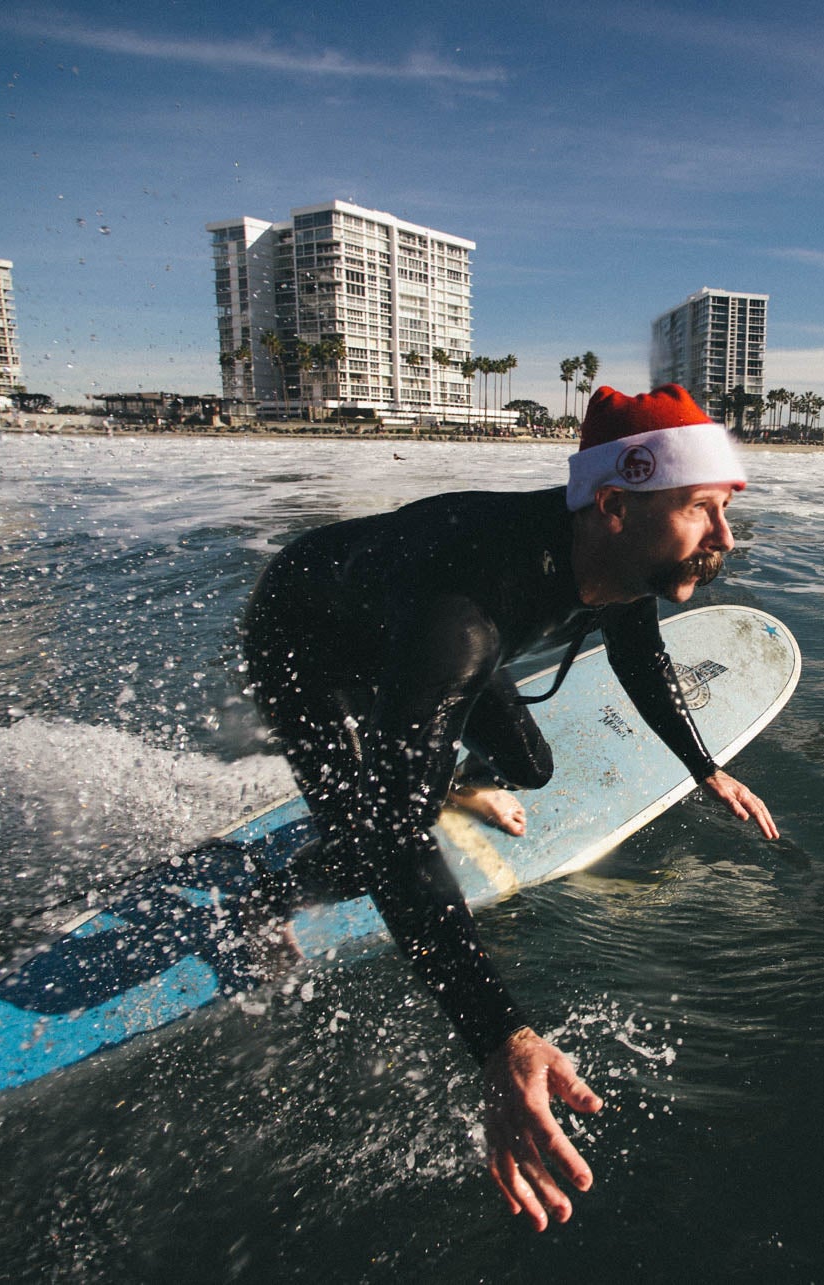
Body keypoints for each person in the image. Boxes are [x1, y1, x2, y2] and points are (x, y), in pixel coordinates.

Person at [239, 384, 777, 1232]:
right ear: (613, 505)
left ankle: (442, 769)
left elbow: (640, 655)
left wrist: (703, 767)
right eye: (701, 510)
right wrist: (501, 1038)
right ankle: (261, 901)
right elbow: (393, 842)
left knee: (529, 764)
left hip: (407, 623)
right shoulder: (467, 617)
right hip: (304, 638)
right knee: (365, 844)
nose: (725, 538)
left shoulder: (620, 561)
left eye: (725, 511)